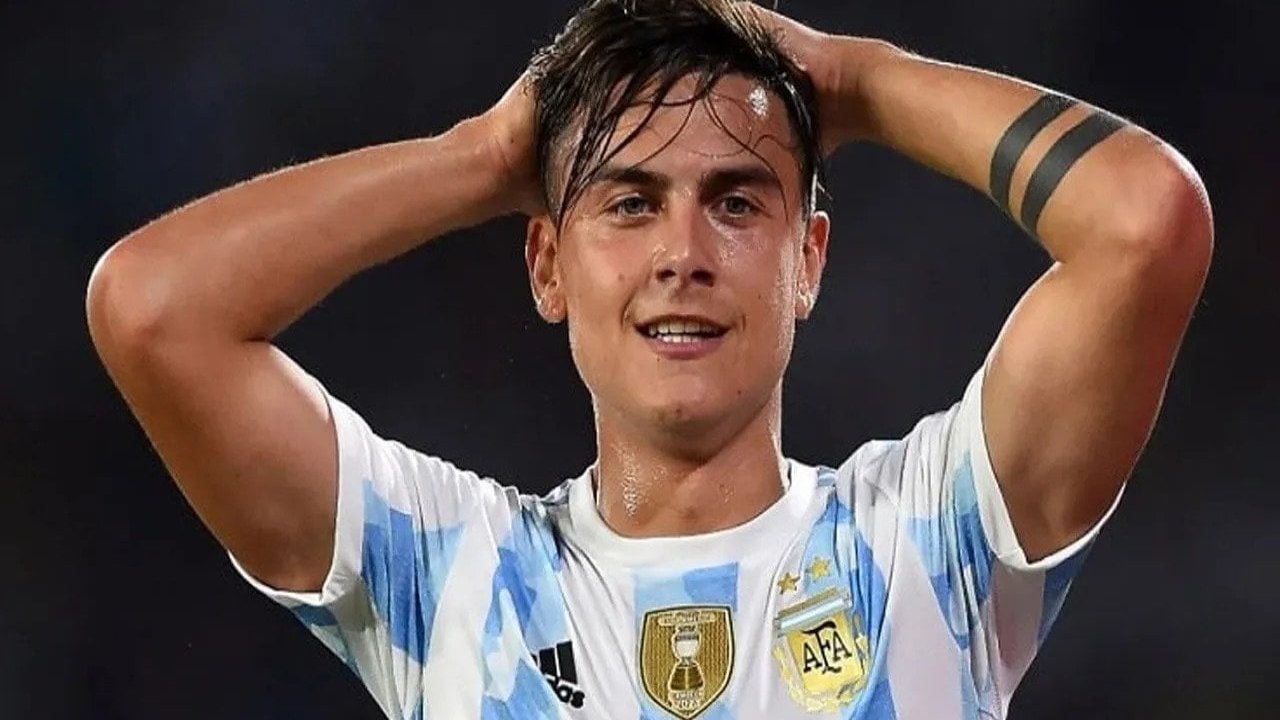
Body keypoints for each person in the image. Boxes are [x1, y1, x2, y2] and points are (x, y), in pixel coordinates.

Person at [85, 1, 1212, 718]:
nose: (682, 254)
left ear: (808, 260)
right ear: (547, 266)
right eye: (628, 203)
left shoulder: (932, 542)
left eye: (736, 202)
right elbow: (151, 309)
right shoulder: (443, 573)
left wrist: (853, 78)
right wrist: (479, 156)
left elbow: (1144, 219)